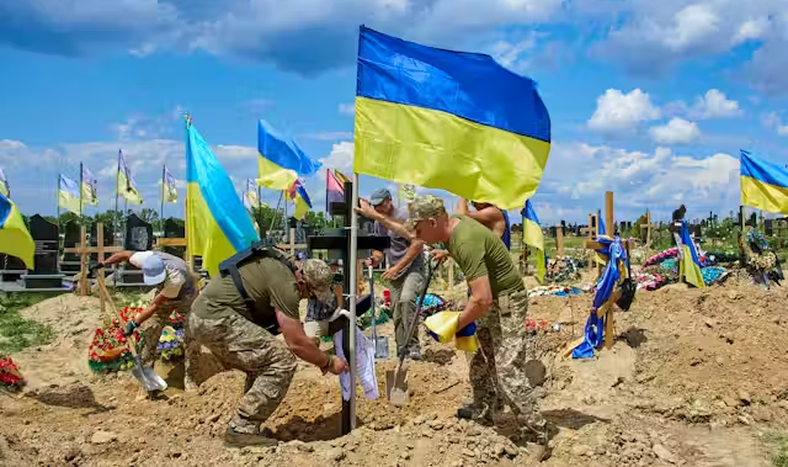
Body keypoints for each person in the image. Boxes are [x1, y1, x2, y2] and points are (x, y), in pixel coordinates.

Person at [405, 195, 551, 461]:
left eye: (418, 229)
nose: (416, 235)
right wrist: (447, 252)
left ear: (433, 221)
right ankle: (483, 410)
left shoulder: (465, 239)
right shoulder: (453, 227)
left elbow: (482, 299)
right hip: (492, 298)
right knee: (478, 355)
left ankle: (536, 436)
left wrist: (453, 325)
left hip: (507, 300)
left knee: (507, 369)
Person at [189, 248, 347, 447]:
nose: (309, 299)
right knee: (282, 361)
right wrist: (328, 361)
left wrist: (311, 347)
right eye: (311, 295)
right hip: (214, 318)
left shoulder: (282, 270)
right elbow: (295, 342)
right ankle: (241, 429)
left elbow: (296, 336)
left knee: (264, 361)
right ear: (303, 282)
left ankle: (246, 427)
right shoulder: (288, 285)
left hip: (206, 316)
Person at [99, 250, 200, 391]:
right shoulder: (144, 259)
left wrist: (134, 323)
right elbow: (125, 254)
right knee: (150, 333)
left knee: (192, 336)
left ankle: (191, 380)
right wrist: (104, 263)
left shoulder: (175, 277)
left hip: (186, 297)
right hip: (164, 293)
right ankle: (146, 384)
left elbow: (154, 305)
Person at [355, 188, 426, 360]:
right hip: (394, 271)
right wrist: (375, 259)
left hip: (412, 267)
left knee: (407, 300)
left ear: (389, 200)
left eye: (380, 204)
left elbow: (417, 244)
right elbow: (381, 249)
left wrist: (397, 267)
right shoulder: (378, 224)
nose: (377, 208)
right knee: (395, 310)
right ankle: (402, 347)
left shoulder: (404, 216)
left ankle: (413, 345)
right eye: (375, 206)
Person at [304, 259, 341, 346]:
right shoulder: (309, 282)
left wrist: (336, 317)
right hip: (314, 320)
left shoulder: (337, 281)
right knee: (309, 344)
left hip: (333, 318)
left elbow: (341, 303)